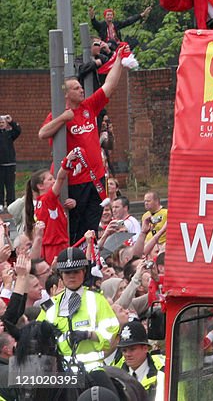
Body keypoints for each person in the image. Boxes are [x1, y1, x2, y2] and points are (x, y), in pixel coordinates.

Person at [39, 44, 128, 244]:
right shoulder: (59, 114)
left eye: (81, 87)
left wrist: (119, 60)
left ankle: (90, 266)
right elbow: (42, 133)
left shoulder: (89, 107)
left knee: (92, 225)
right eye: (76, 88)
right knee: (77, 228)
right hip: (75, 182)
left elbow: (110, 87)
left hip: (96, 179)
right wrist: (63, 118)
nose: (81, 90)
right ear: (66, 94)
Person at [38, 246, 121, 371]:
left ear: (84, 272)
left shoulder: (97, 299)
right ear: (60, 274)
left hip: (93, 368)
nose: (72, 276)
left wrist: (89, 335)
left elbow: (111, 330)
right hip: (61, 370)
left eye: (76, 271)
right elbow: (37, 335)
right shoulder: (51, 305)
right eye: (67, 272)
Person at [115, 319, 165, 400]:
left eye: (132, 349)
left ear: (145, 348)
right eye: (124, 350)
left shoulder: (163, 370)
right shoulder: (116, 374)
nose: (127, 354)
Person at [0, 113, 19, 211]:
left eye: (3, 122)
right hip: (0, 166)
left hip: (10, 165)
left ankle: (11, 204)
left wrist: (11, 121)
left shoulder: (10, 134)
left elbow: (18, 131)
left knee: (10, 186)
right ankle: (1, 204)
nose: (1, 124)